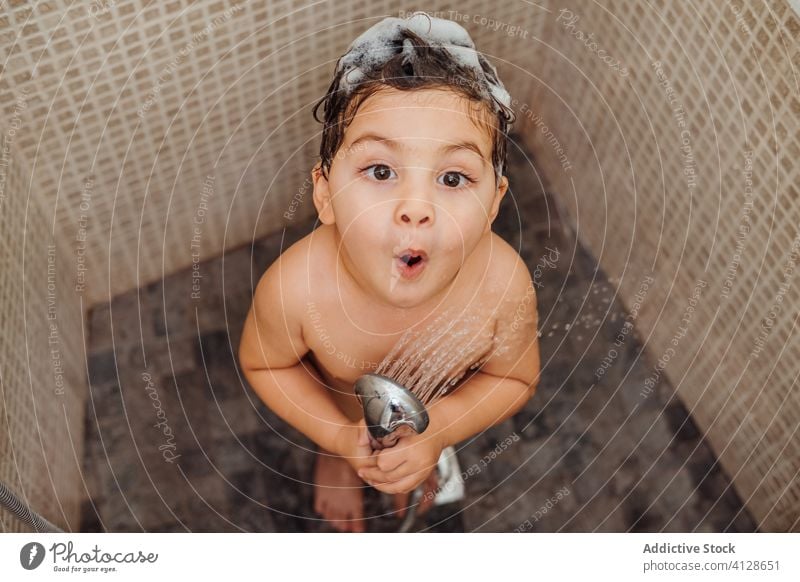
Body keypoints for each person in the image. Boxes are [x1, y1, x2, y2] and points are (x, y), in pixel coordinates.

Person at [239, 12, 540, 532]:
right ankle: (338, 459)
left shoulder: (503, 287)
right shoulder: (295, 289)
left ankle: (411, 449)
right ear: (326, 194)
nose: (416, 207)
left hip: (434, 404)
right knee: (343, 418)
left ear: (493, 205)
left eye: (453, 177)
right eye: (381, 171)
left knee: (418, 439)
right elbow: (268, 366)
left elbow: (513, 377)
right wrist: (336, 436)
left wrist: (440, 428)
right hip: (340, 407)